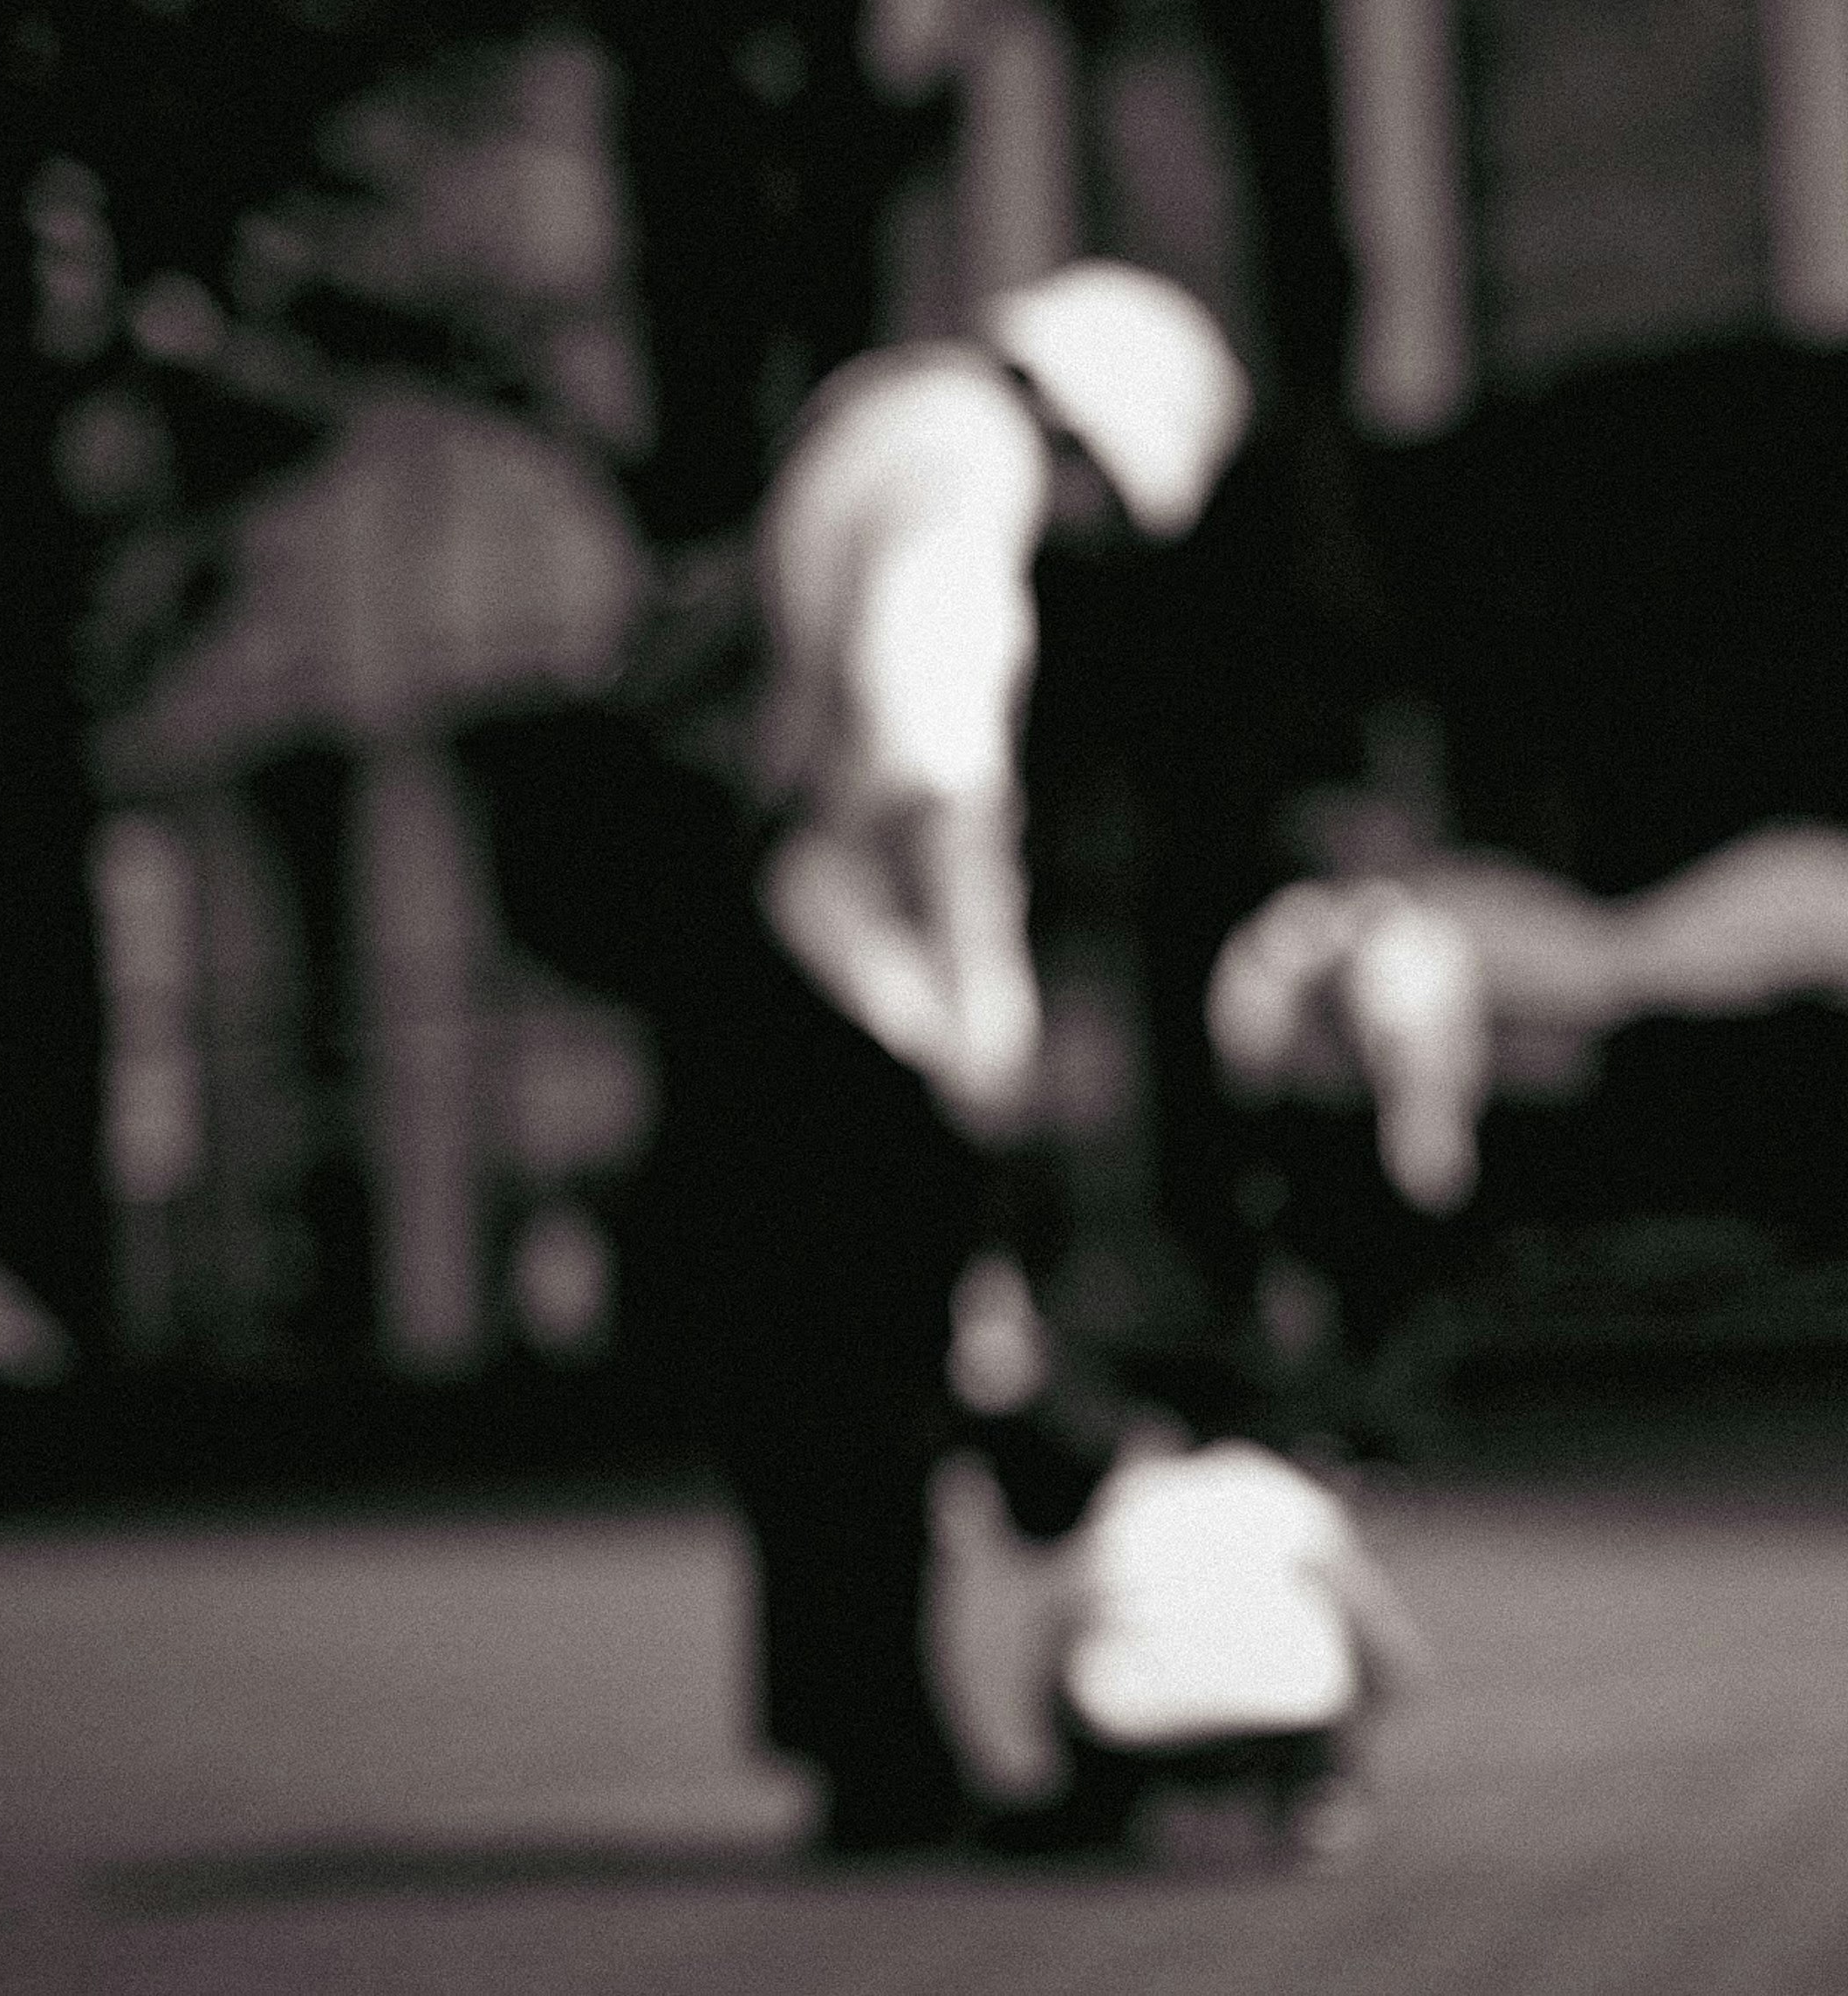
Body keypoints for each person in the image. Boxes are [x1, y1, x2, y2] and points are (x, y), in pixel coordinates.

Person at [468, 257, 1249, 1856]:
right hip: (846, 981)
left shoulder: (871, 420)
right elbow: (928, 724)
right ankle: (905, 1756)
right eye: (1107, 509)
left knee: (819, 1380)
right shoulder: (969, 455)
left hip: (767, 959)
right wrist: (979, 990)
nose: (1091, 544)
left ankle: (864, 1741)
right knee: (882, 1375)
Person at [999, 1348, 1429, 1865]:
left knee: (1074, 1653)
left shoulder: (1127, 1494)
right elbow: (1388, 1643)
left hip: (1134, 1734)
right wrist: (1359, 1739)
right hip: (1286, 1726)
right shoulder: (1289, 1495)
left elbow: (1058, 1628)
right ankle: (1317, 1798)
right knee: (1347, 1662)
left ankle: (1101, 1812)